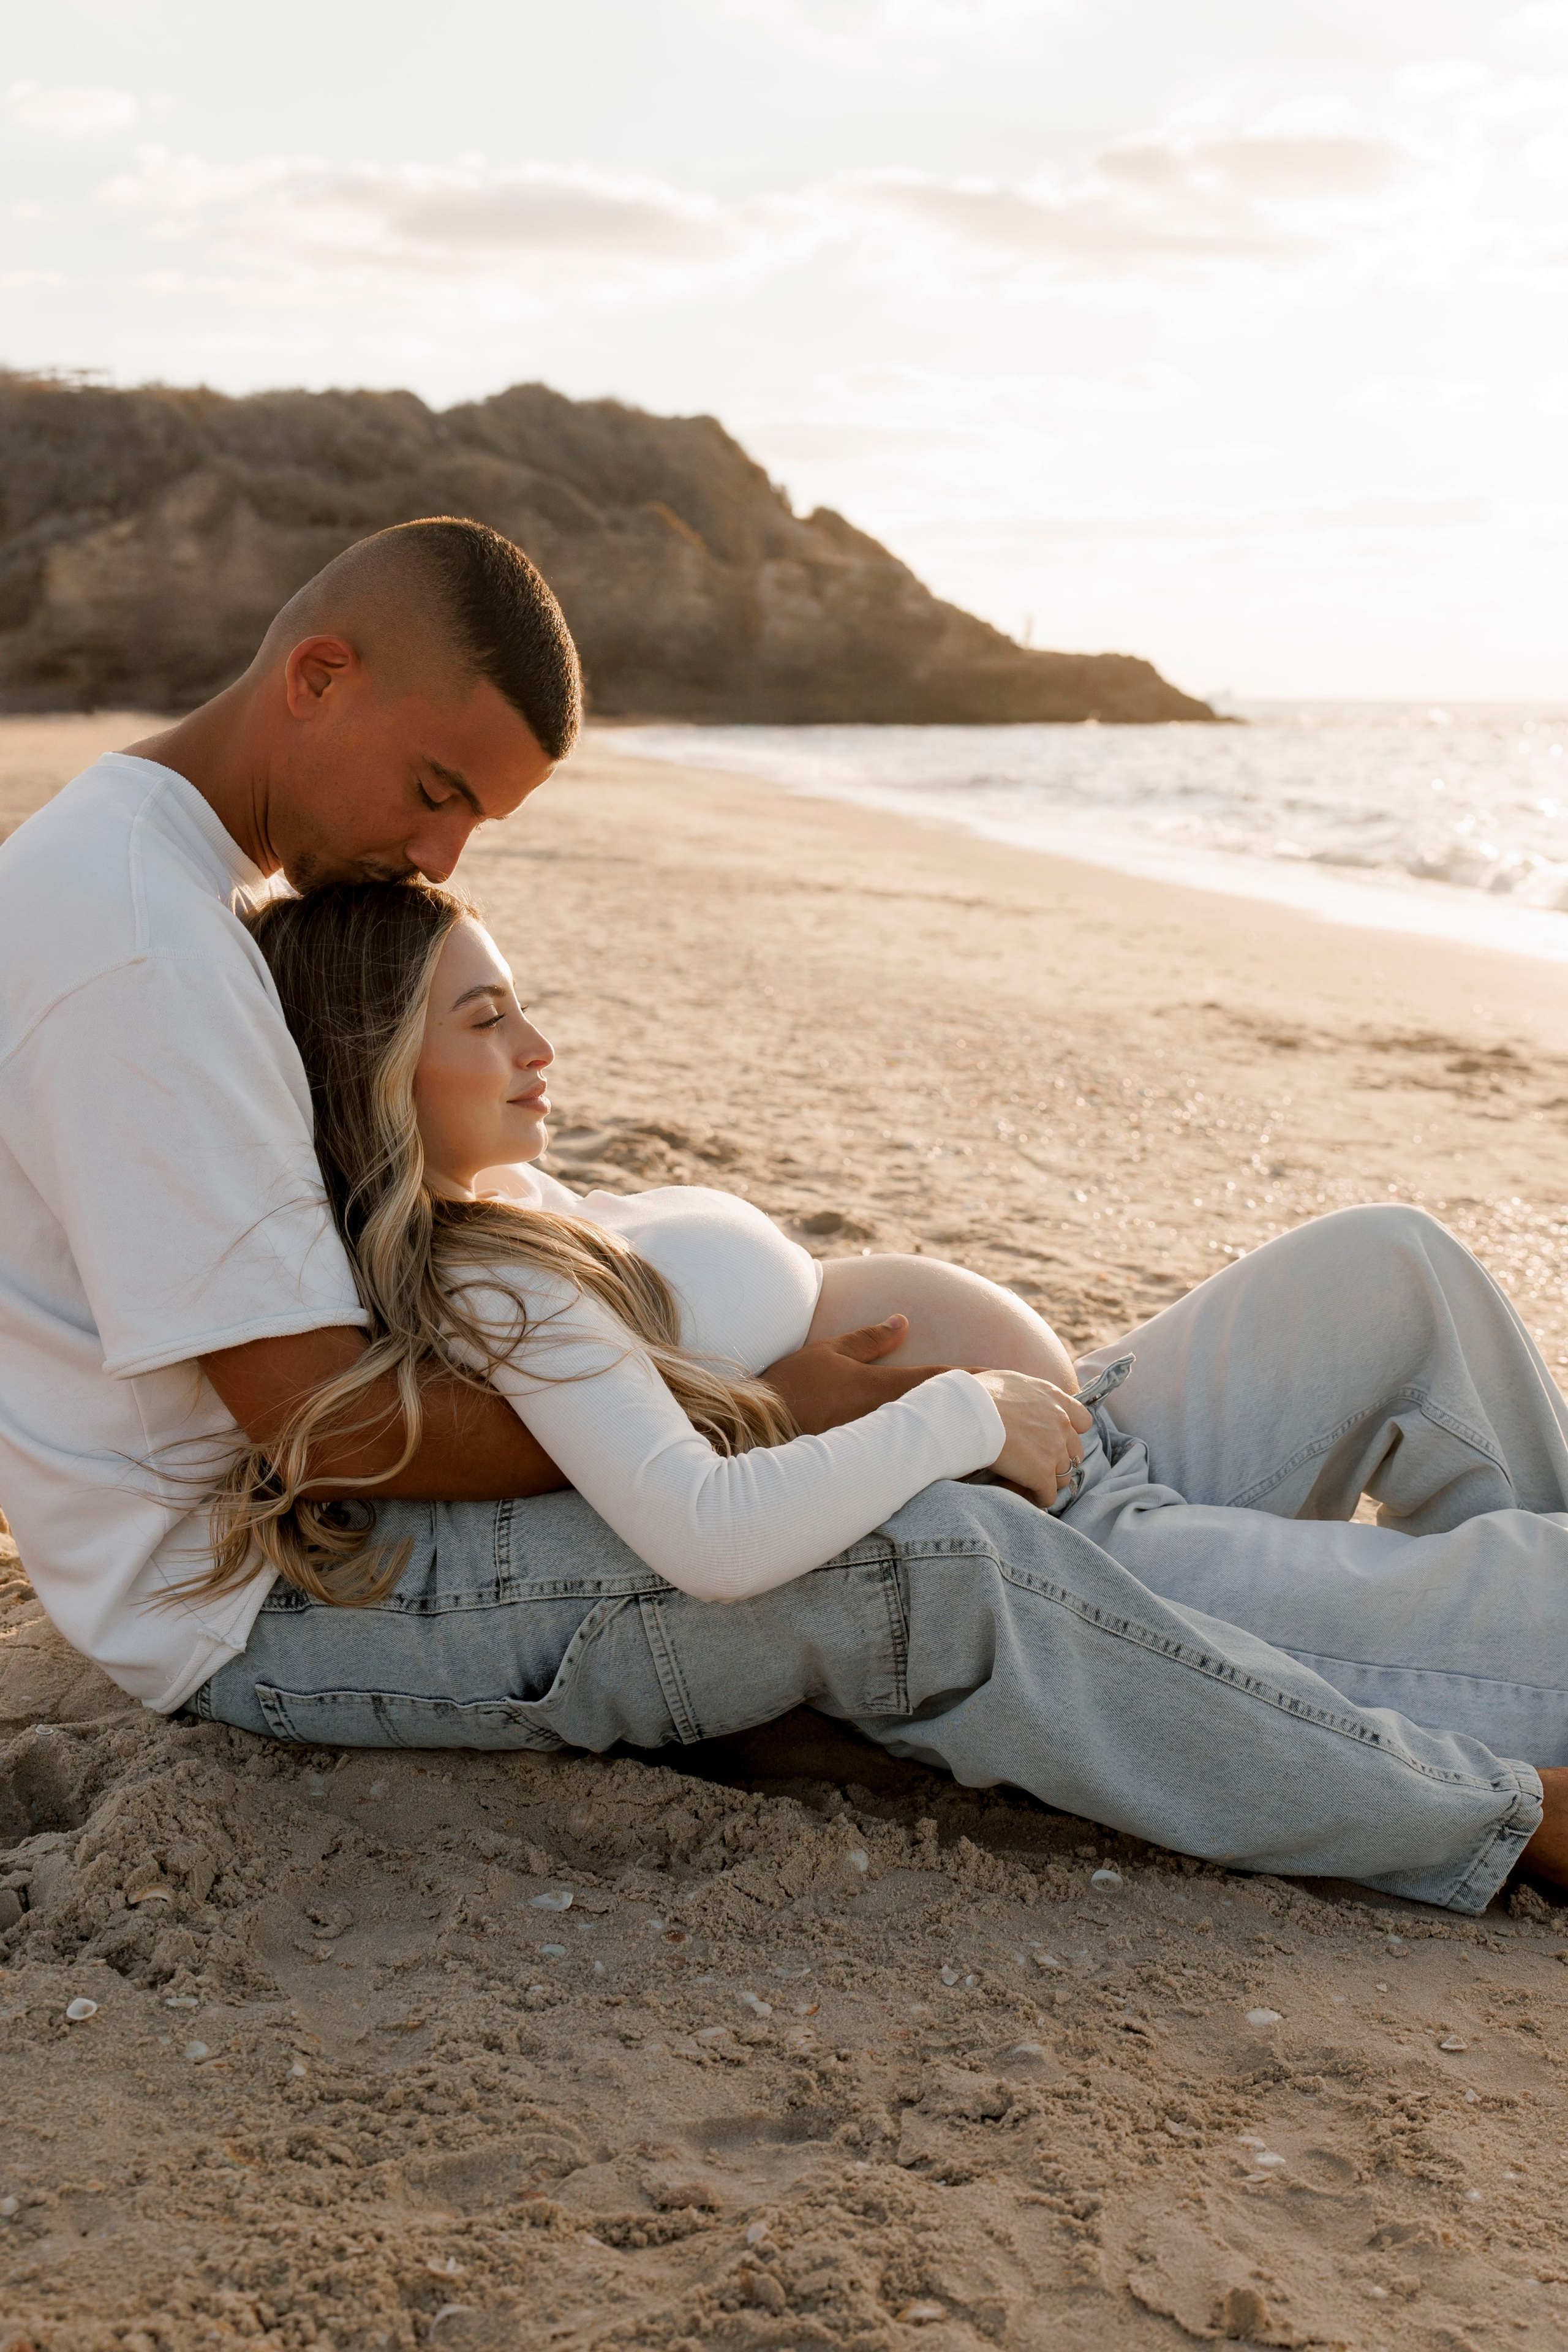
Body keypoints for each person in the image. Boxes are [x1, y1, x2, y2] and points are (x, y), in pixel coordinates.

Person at [0, 518, 1562, 1915]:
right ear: (318, 677)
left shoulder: (198, 905)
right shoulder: (143, 953)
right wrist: (767, 1420)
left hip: (742, 1449)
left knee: (1391, 1277)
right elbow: (329, 1432)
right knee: (948, 1552)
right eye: (433, 792)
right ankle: (1499, 1810)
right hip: (301, 1603)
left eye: (476, 820)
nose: (438, 853)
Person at [187, 873, 1568, 1917]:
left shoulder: (518, 1188)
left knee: (1396, 1264)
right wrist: (965, 1413)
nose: (539, 1044)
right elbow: (705, 1531)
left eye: (520, 1003)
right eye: (487, 1022)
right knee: (1530, 1610)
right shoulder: (492, 1277)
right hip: (1060, 1546)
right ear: (373, 1072)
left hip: (1080, 1441)